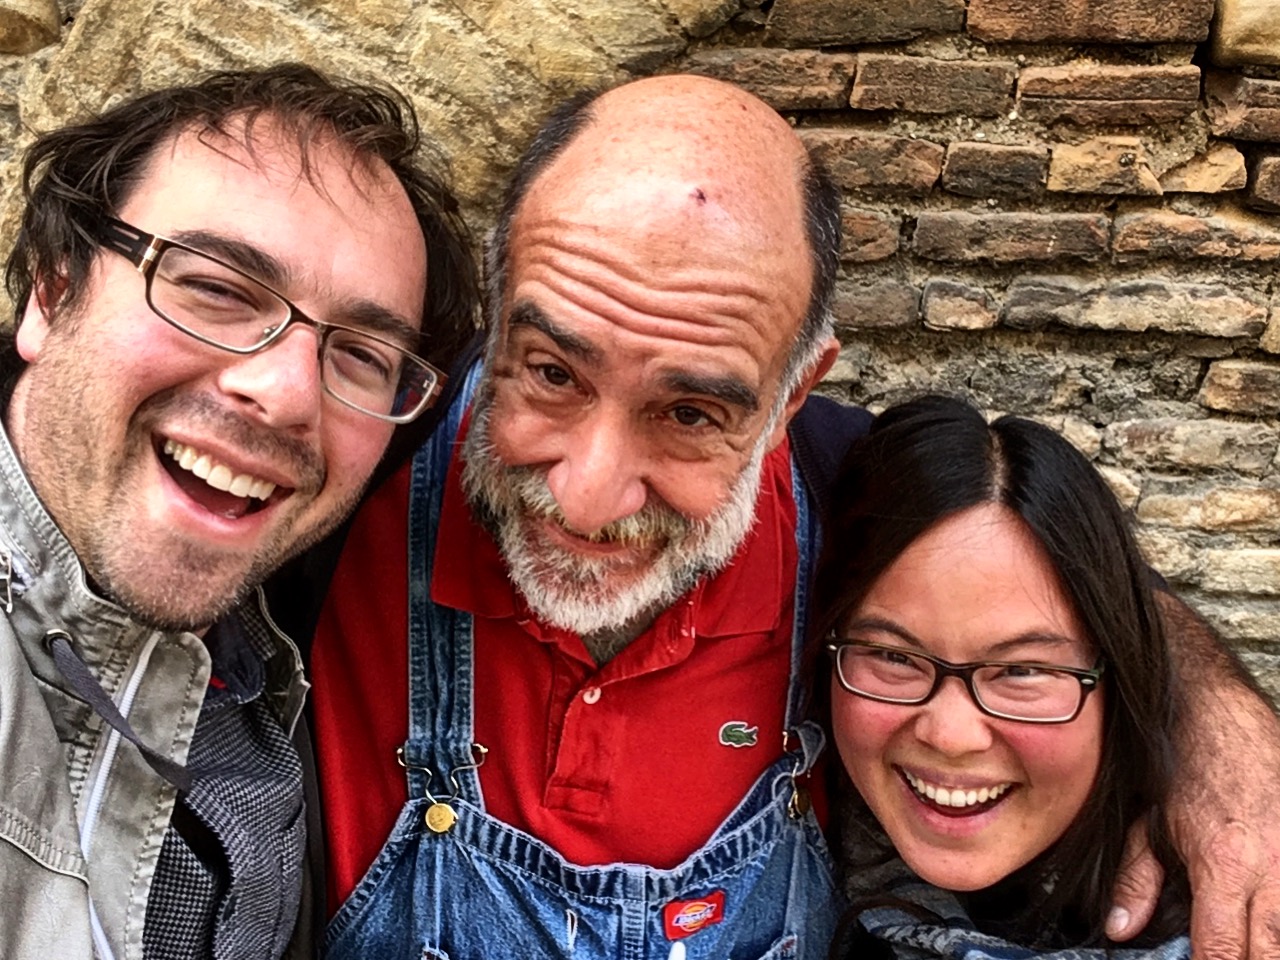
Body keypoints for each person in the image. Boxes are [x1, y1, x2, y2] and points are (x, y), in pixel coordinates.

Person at [310, 74, 1280, 960]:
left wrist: (1222, 729)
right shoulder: (346, 472)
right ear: (496, 297)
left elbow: (1060, 589)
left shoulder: (851, 506)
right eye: (552, 373)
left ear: (789, 395)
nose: (584, 496)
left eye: (690, 414)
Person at [0, 64, 476, 960]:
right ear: (52, 289)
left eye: (364, 356)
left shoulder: (268, 672)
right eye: (217, 288)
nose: (290, 393)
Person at [813, 395, 1192, 959]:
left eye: (1021, 670)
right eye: (893, 657)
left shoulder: (1235, 914)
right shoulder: (788, 850)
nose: (951, 735)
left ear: (1118, 682)